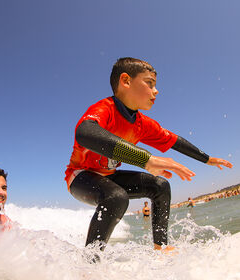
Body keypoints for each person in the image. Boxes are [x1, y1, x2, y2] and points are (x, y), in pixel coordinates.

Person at [65, 57, 232, 254]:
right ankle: (90, 262)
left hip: (109, 175)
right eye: (150, 83)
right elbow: (85, 134)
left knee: (160, 186)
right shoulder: (104, 109)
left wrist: (207, 159)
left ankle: (161, 248)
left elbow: (175, 141)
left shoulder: (142, 124)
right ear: (126, 81)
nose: (156, 91)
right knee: (117, 198)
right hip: (80, 175)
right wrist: (145, 159)